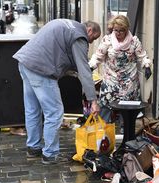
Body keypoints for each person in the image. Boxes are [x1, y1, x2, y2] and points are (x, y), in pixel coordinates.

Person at [13, 19, 101, 165]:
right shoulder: (79, 36)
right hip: (41, 70)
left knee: (32, 109)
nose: (90, 42)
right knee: (54, 113)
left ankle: (33, 147)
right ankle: (50, 154)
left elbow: (59, 53)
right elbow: (84, 70)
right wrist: (93, 100)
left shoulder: (66, 24)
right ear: (90, 31)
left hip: (25, 62)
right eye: (93, 38)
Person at [89, 15, 152, 125]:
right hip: (110, 80)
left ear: (127, 29)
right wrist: (91, 66)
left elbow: (142, 56)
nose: (118, 33)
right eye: (115, 30)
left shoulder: (134, 41)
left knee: (127, 111)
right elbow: (98, 56)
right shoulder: (107, 40)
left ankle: (126, 135)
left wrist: (147, 65)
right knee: (105, 108)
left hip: (129, 82)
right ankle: (104, 134)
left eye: (121, 31)